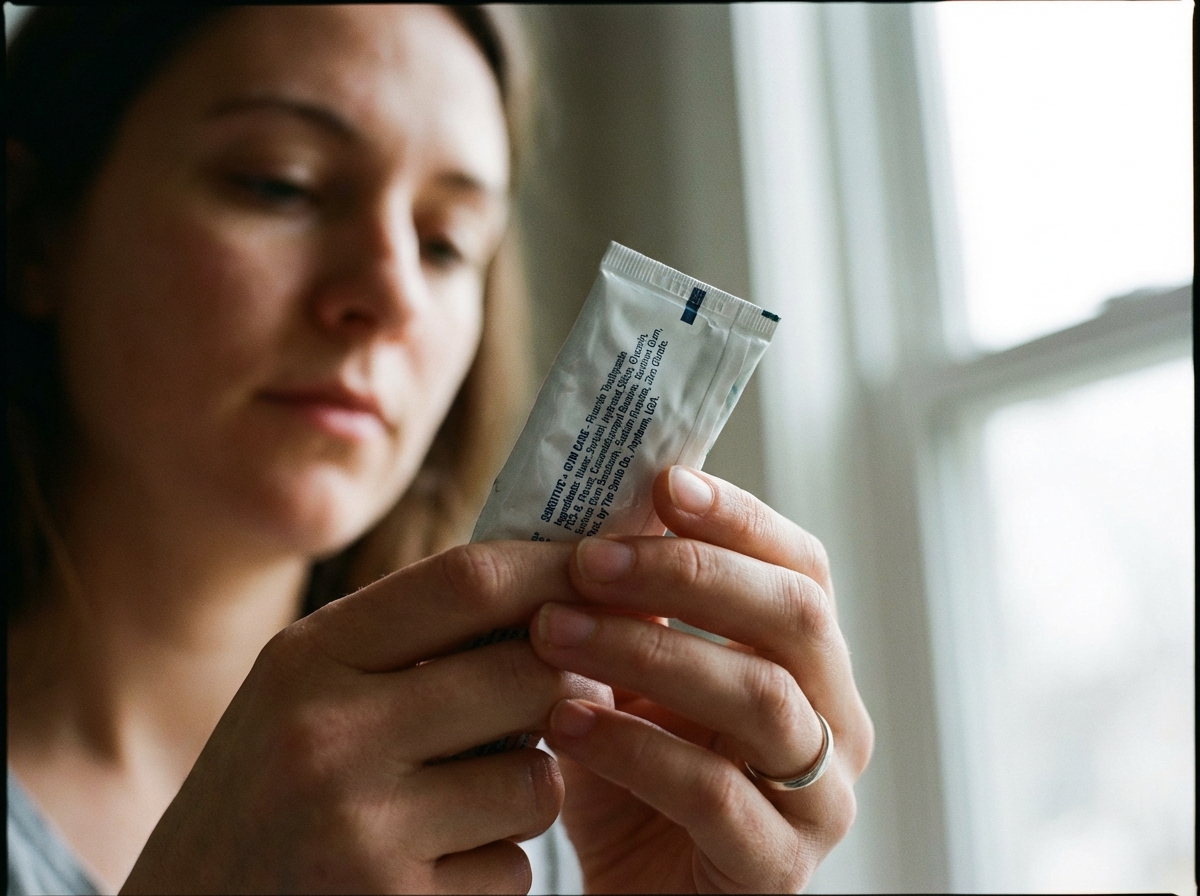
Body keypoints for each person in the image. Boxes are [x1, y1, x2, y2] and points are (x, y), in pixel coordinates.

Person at [5, 6, 874, 894]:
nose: (392, 292)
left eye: (446, 242)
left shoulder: (534, 821)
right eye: (282, 185)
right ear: (33, 231)